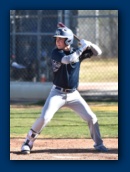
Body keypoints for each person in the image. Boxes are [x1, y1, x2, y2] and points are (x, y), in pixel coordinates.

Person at [21, 24, 108, 154]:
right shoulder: (56, 52)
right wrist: (82, 48)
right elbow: (68, 60)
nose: (57, 41)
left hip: (74, 95)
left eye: (61, 39)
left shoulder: (77, 52)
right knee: (44, 118)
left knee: (92, 117)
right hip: (57, 93)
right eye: (56, 39)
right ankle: (28, 142)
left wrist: (89, 44)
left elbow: (98, 52)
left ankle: (99, 144)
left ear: (68, 40)